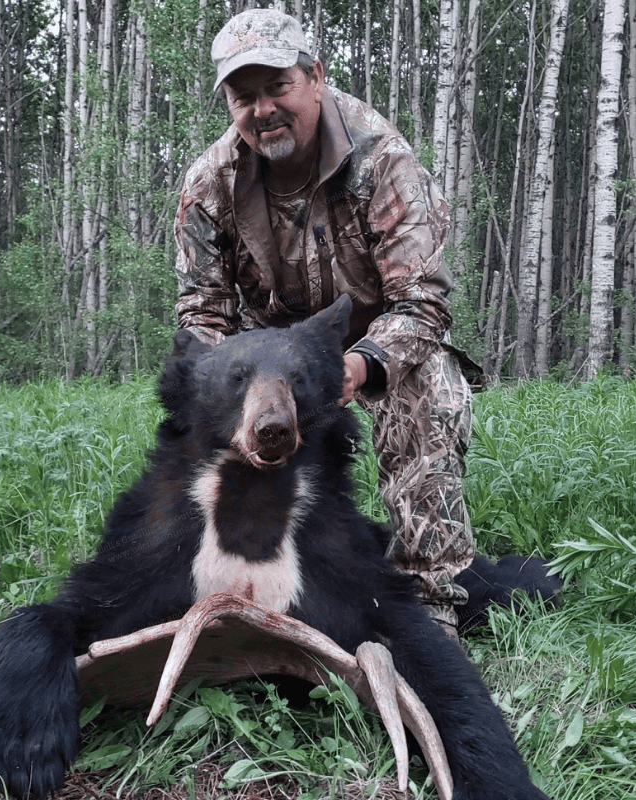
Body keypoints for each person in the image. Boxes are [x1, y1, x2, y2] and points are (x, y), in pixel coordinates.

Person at [174, 9, 479, 638]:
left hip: (371, 342)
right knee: (200, 410)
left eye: (277, 87)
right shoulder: (210, 184)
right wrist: (227, 389)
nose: (262, 109)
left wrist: (362, 364)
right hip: (266, 359)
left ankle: (429, 599)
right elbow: (202, 316)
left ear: (315, 75)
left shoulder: (381, 159)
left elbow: (423, 301)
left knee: (431, 391)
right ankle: (213, 573)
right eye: (243, 96)